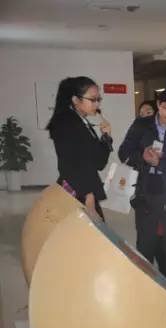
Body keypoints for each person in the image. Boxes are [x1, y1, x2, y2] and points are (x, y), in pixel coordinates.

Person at [118, 88, 166, 291]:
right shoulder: (141, 125)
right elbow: (124, 152)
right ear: (158, 105)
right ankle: (145, 290)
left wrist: (160, 163)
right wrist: (142, 157)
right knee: (146, 243)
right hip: (146, 190)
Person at [47, 76, 113, 220]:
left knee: (92, 230)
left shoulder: (82, 122)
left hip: (85, 190)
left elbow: (99, 163)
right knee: (86, 230)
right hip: (79, 191)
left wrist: (106, 138)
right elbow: (71, 164)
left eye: (99, 99)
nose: (97, 104)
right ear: (76, 100)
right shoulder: (65, 123)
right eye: (93, 99)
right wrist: (88, 196)